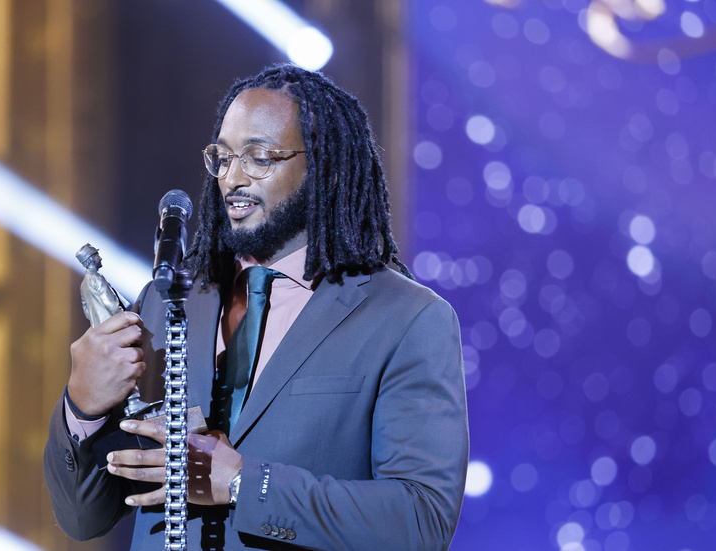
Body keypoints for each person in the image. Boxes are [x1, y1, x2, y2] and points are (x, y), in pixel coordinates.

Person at [44, 64, 468, 551]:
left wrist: (245, 482)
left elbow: (420, 521)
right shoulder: (170, 302)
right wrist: (83, 407)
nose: (232, 178)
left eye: (259, 157)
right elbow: (82, 519)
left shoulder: (406, 319)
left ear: (325, 169)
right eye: (221, 158)